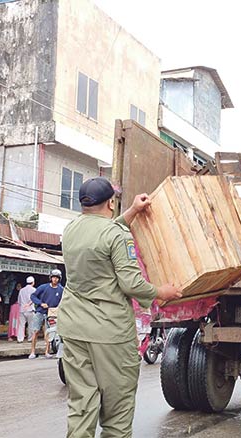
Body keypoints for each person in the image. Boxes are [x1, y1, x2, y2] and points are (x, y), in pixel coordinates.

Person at [58, 177, 182, 438]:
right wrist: (162, 292)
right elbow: (131, 283)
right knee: (117, 412)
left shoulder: (70, 229)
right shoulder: (117, 234)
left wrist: (134, 211)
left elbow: (102, 237)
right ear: (111, 202)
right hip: (108, 332)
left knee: (81, 404)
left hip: (73, 327)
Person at [28, 270, 64, 359]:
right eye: (53, 277)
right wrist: (40, 303)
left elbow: (63, 300)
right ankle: (32, 351)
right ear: (51, 278)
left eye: (57, 278)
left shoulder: (61, 289)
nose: (55, 279)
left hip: (52, 314)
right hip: (40, 311)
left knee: (49, 332)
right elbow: (33, 296)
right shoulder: (44, 287)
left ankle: (47, 351)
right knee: (35, 331)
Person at [17, 276, 36, 343]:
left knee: (21, 325)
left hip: (22, 310)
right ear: (33, 282)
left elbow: (19, 301)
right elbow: (34, 299)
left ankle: (20, 339)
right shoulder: (34, 290)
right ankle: (30, 338)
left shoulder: (21, 290)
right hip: (30, 309)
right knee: (31, 324)